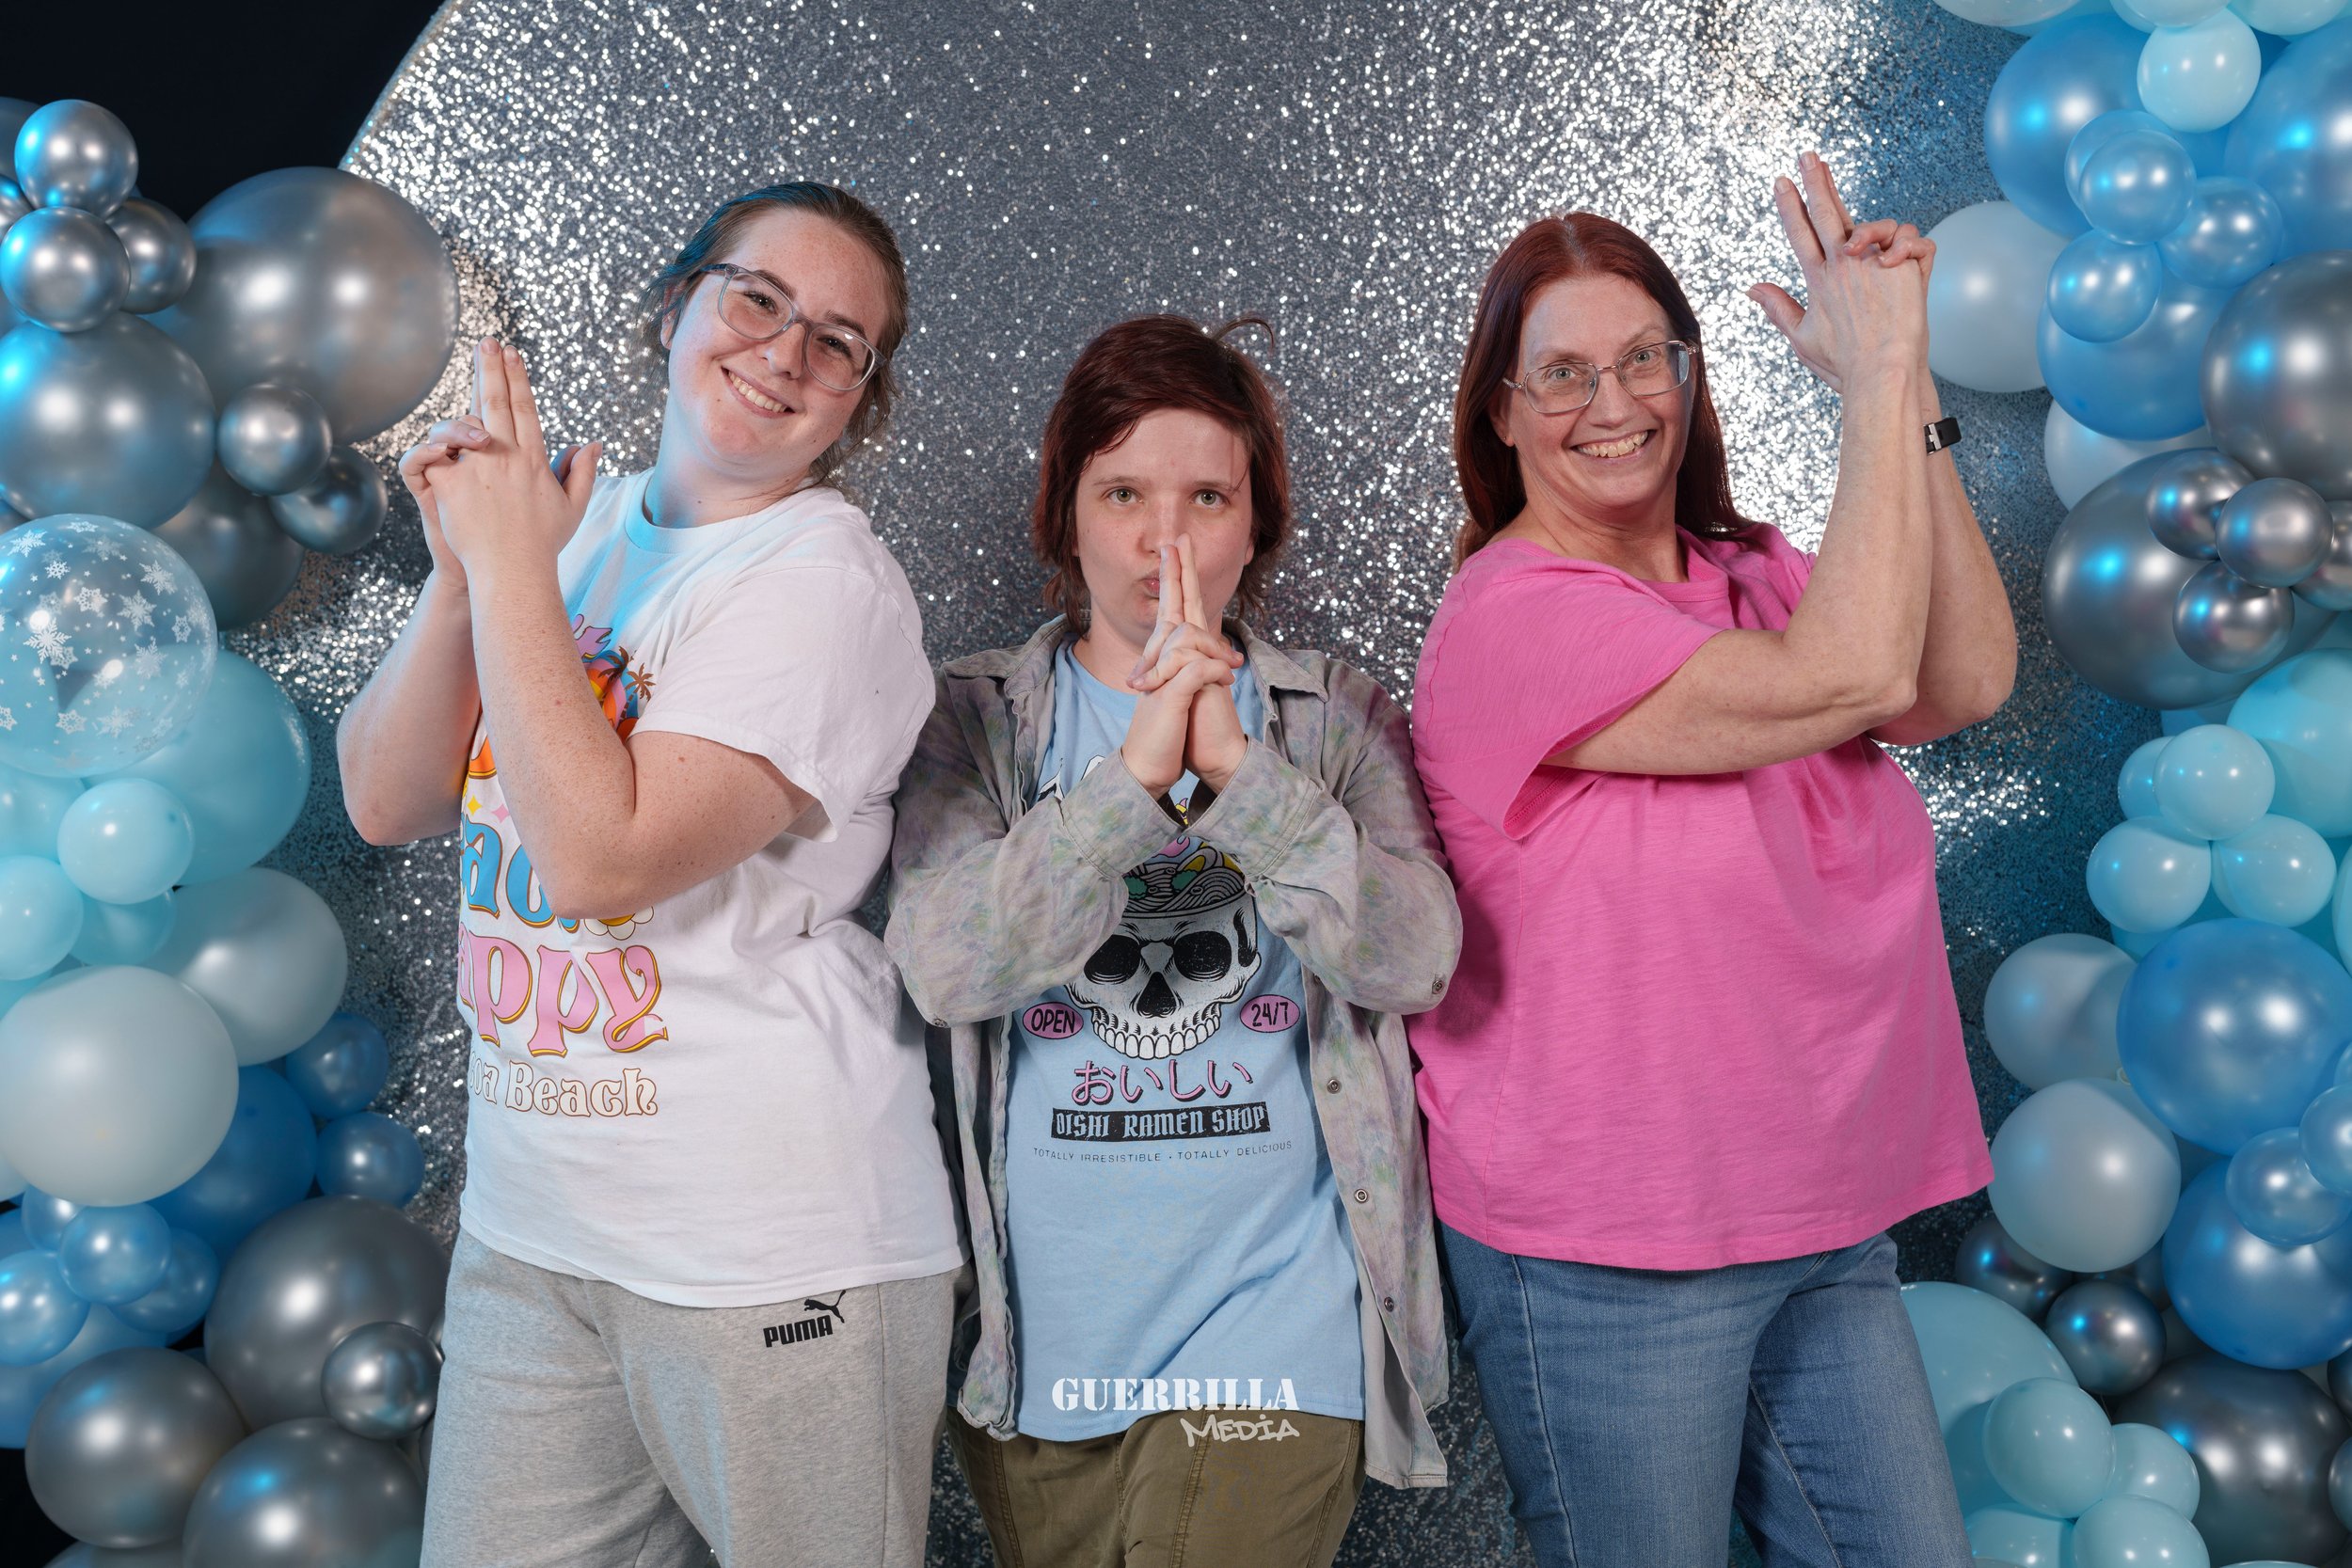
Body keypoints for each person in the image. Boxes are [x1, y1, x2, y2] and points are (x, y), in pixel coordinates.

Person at [336, 182, 965, 1568]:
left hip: (770, 1253)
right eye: (757, 298)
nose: (787, 352)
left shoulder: (822, 586)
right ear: (676, 304)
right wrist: (464, 580)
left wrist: (512, 573)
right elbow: (385, 801)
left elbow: (597, 859)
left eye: (840, 341)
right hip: (539, 1230)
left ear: (862, 397)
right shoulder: (585, 527)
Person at [1407, 154, 2014, 1566]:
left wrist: (1906, 385)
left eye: (1643, 359)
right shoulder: (1511, 616)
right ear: (1501, 415)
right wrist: (1867, 382)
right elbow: (1849, 671)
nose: (1614, 405)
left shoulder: (1759, 571)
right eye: (1561, 375)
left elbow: (1960, 680)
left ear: (1689, 372)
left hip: (1819, 1209)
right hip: (1614, 1247)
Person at [885, 314, 1460, 1568]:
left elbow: (1414, 958)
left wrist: (1235, 773)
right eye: (1123, 493)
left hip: (1273, 1328)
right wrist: (1134, 781)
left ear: (1257, 523)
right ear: (1066, 514)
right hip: (1043, 1355)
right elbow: (942, 966)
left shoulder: (1328, 714)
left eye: (1208, 495)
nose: (1165, 538)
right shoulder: (975, 718)